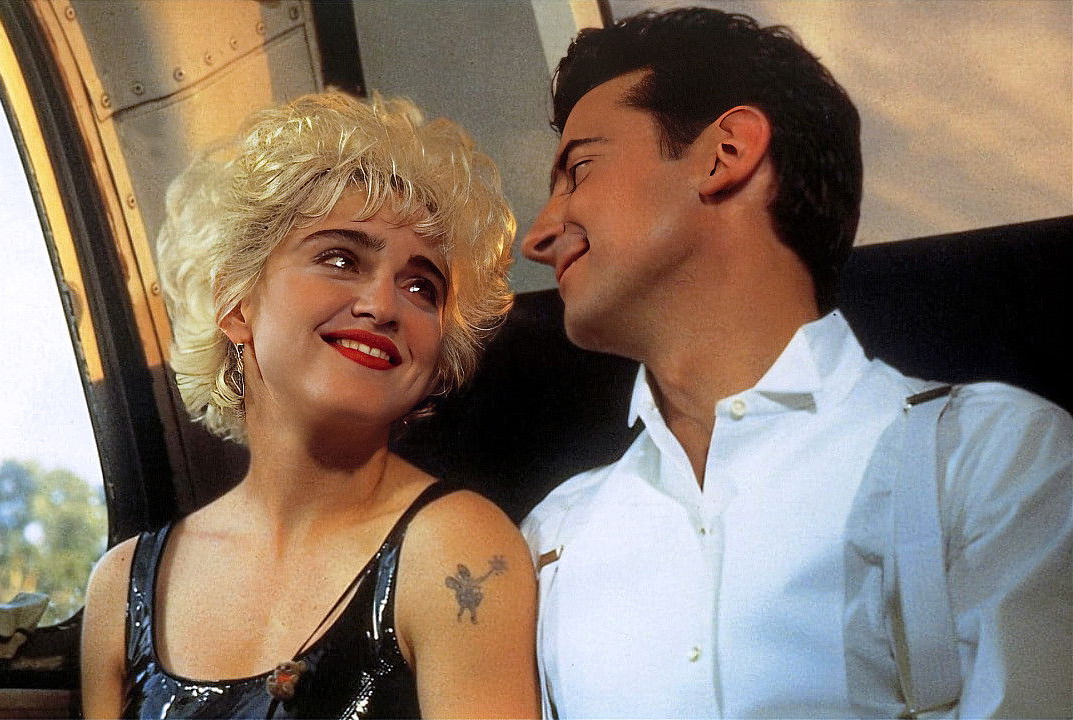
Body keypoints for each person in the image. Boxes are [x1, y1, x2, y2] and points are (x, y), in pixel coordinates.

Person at [519, 7, 1071, 719]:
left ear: (726, 153)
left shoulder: (985, 459)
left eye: (579, 170)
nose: (538, 235)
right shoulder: (552, 540)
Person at [81, 92, 539, 719]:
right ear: (236, 304)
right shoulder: (123, 585)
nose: (383, 305)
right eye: (341, 259)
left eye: (420, 286)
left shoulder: (456, 547)